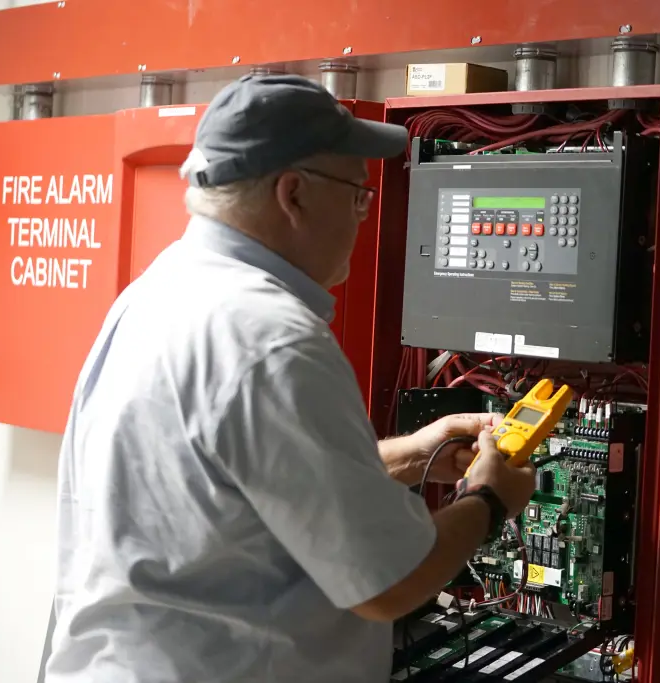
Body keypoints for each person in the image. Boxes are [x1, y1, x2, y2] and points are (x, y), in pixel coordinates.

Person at [43, 74, 537, 683]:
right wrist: (488, 500)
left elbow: (230, 486)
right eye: (358, 195)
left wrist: (405, 457)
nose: (362, 217)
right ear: (294, 194)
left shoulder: (159, 292)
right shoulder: (272, 338)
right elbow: (386, 582)